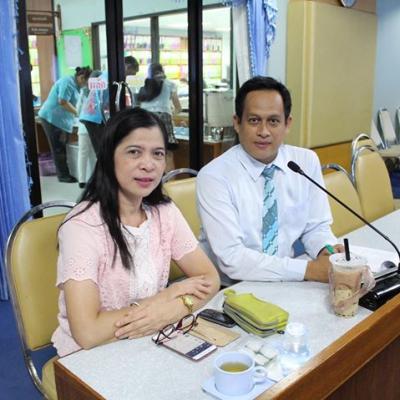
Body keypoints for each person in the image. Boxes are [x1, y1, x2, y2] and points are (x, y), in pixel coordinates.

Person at [51, 107, 220, 357]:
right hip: (92, 354)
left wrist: (172, 310)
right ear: (109, 156)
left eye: (158, 154)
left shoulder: (164, 211)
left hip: (152, 338)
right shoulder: (82, 227)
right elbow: (88, 333)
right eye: (134, 152)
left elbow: (210, 279)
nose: (148, 165)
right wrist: (167, 297)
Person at [196, 76, 344, 286]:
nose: (263, 132)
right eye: (254, 120)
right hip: (230, 287)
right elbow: (232, 258)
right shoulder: (214, 176)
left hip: (287, 279)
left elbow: (316, 226)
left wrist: (326, 250)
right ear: (237, 123)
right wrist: (310, 269)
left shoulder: (304, 162)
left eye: (273, 121)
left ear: (287, 124)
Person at [38, 66, 92, 182]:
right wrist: (78, 113)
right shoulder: (67, 82)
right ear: (82, 77)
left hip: (62, 120)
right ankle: (63, 176)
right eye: (87, 82)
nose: (87, 85)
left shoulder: (77, 86)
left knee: (62, 146)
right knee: (58, 148)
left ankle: (64, 173)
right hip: (52, 118)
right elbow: (63, 101)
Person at [80, 57, 139, 155]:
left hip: (94, 116)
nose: (129, 77)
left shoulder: (108, 75)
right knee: (103, 151)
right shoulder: (112, 78)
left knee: (104, 150)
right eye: (131, 74)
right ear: (127, 67)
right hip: (95, 117)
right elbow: (106, 101)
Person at [138, 63, 182, 171]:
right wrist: (173, 113)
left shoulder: (146, 84)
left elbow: (140, 104)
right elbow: (178, 107)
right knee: (167, 152)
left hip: (144, 118)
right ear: (162, 71)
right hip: (163, 118)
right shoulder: (170, 84)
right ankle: (170, 180)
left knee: (147, 151)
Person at [76, 83, 97, 189]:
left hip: (84, 126)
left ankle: (82, 180)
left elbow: (78, 109)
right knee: (94, 154)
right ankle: (93, 179)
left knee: (83, 154)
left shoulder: (83, 92)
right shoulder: (99, 92)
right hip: (96, 126)